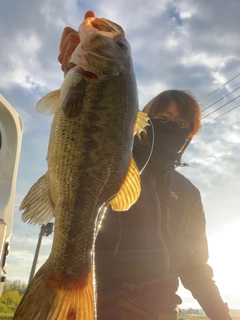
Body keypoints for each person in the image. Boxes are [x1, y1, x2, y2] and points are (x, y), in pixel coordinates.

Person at [58, 11, 233, 320]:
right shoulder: (121, 160)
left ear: (188, 136)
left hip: (163, 307)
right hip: (102, 299)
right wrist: (73, 74)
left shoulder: (189, 193)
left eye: (181, 123)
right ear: (145, 120)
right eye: (163, 118)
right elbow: (92, 134)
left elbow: (197, 269)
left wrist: (223, 316)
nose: (172, 126)